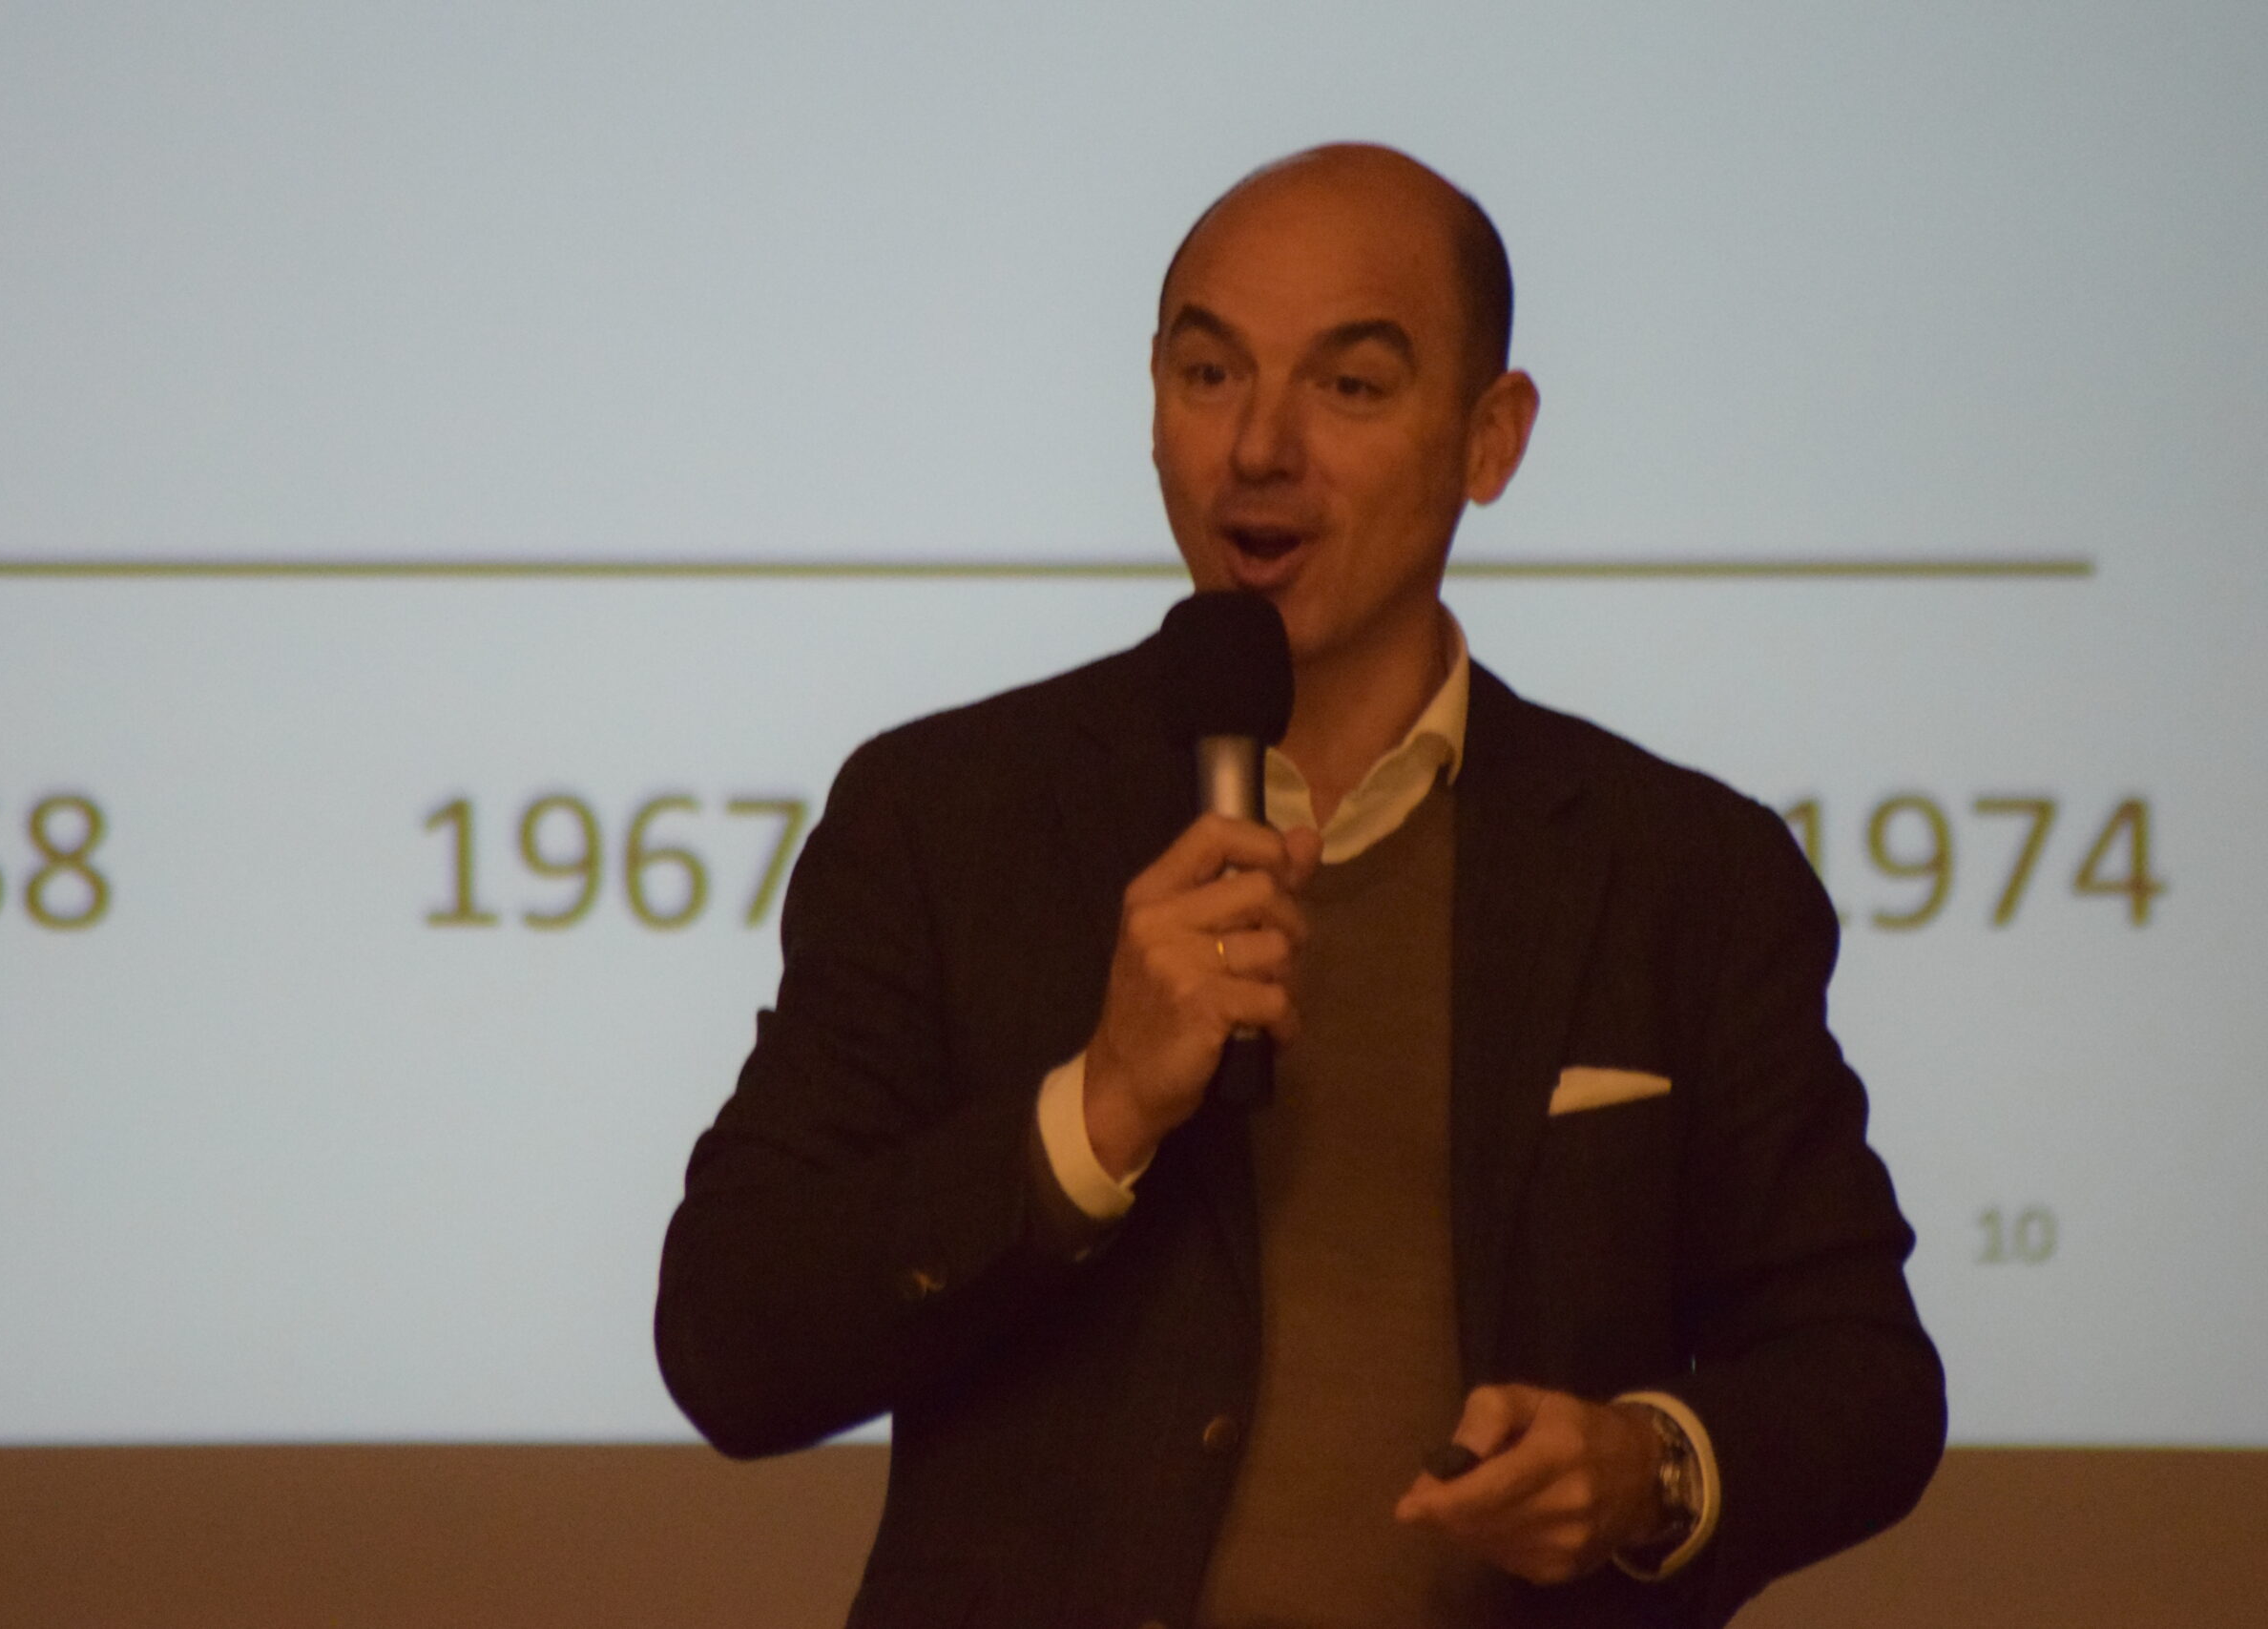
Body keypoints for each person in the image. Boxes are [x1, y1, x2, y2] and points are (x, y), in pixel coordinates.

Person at [656, 144, 1944, 1628]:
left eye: (1350, 386)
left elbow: (1863, 1374)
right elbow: (730, 1341)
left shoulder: (1682, 872)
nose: (1260, 449)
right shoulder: (948, 817)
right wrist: (1096, 1111)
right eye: (1209, 375)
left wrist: (1645, 1466)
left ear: (1490, 440)